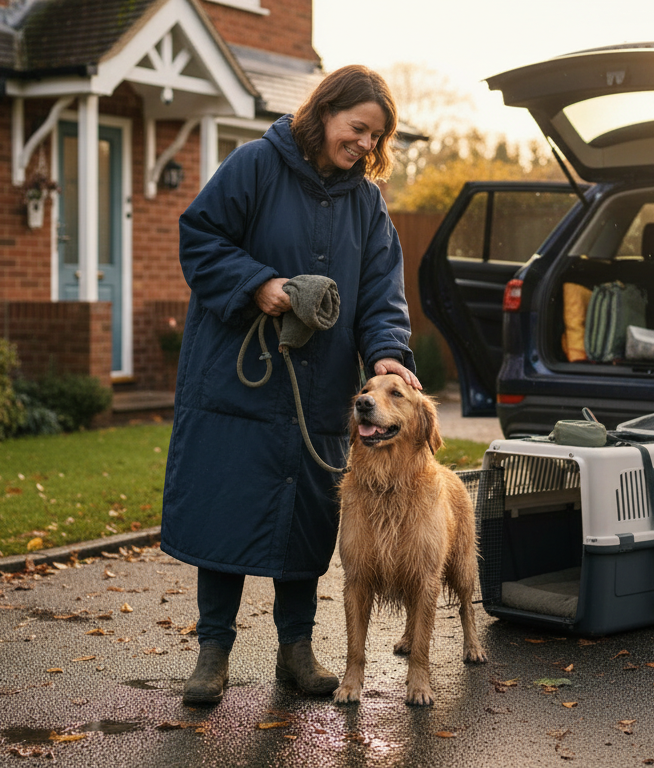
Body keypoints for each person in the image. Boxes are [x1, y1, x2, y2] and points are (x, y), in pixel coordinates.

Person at [161, 65, 421, 705]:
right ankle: (213, 653)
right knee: (225, 515)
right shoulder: (254, 164)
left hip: (321, 388)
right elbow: (199, 236)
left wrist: (388, 356)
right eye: (357, 128)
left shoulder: (366, 203)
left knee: (306, 519)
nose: (364, 145)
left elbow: (381, 295)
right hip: (236, 385)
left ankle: (296, 651)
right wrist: (263, 285)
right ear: (325, 112)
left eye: (374, 137)